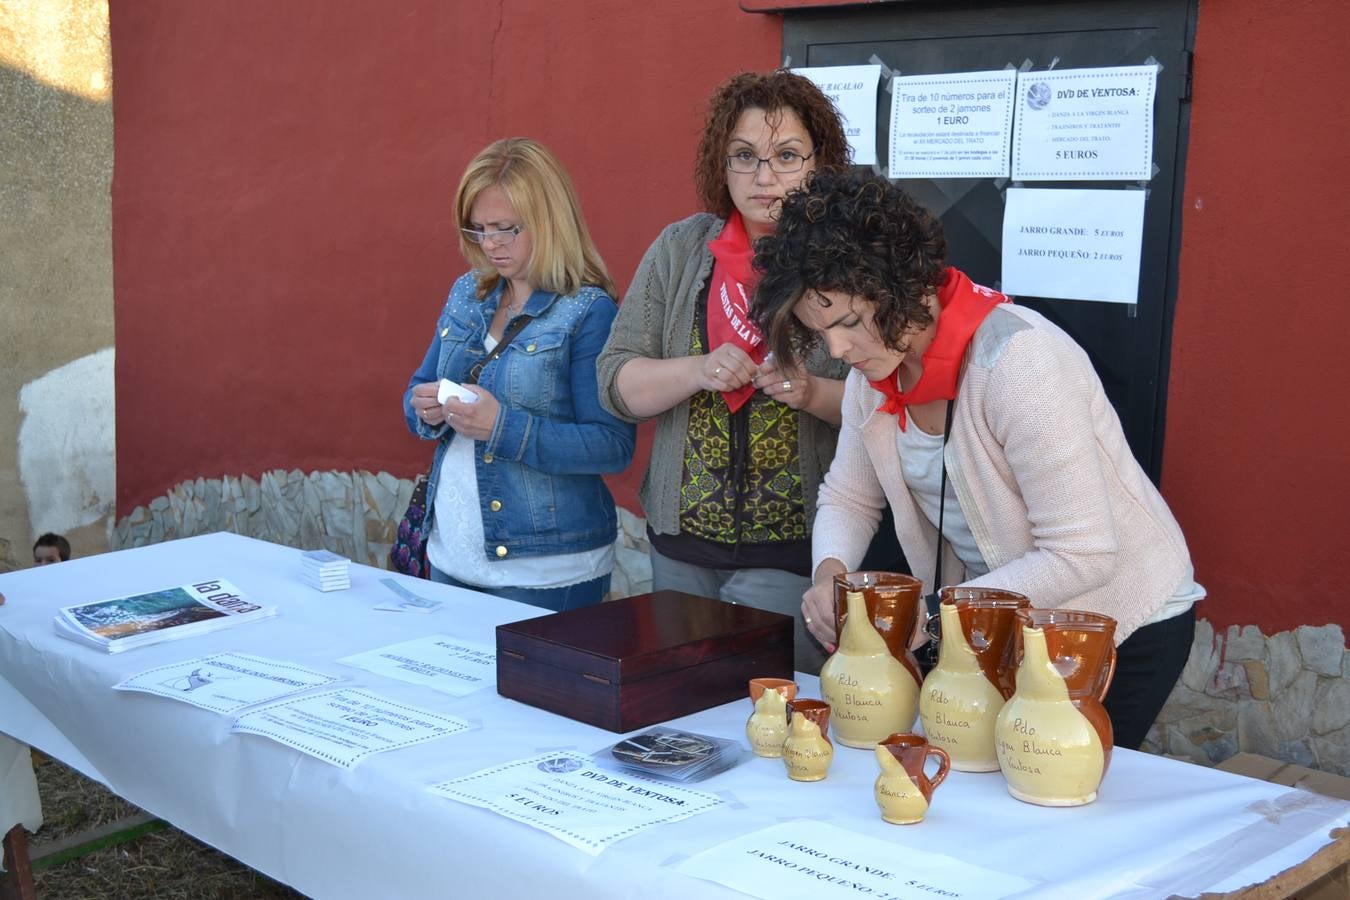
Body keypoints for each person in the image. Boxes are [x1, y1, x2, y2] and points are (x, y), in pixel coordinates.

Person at [751, 168, 1203, 749]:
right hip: (1008, 614)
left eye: (847, 322)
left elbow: (1083, 552)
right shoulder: (877, 371)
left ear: (903, 284)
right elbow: (849, 494)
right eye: (821, 331)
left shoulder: (1019, 362)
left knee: (1049, 791)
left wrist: (940, 613)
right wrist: (828, 573)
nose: (836, 350)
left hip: (1120, 617)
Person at [597, 70, 851, 674]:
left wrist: (813, 392)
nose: (765, 178)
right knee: (680, 705)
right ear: (722, 164)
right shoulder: (681, 249)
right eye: (745, 157)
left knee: (773, 717)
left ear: (820, 163)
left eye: (786, 156)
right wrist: (697, 369)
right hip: (680, 547)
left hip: (792, 554)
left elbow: (888, 403)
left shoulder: (846, 255)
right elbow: (615, 384)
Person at [403, 138, 635, 611]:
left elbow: (612, 446)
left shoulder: (588, 311)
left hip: (547, 571)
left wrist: (502, 428)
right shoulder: (468, 292)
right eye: (479, 229)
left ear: (550, 220)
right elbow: (418, 385)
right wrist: (424, 407)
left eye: (507, 229)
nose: (491, 245)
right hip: (450, 556)